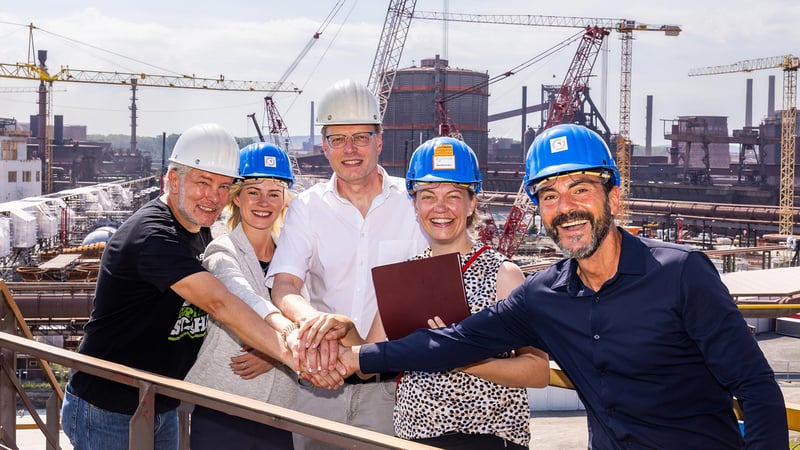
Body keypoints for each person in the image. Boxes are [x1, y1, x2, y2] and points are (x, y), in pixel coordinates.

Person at [341, 124, 789, 449]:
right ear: (538, 209)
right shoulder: (543, 296)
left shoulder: (681, 273)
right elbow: (453, 342)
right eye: (550, 195)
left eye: (580, 189)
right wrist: (353, 357)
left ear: (612, 197)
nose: (566, 207)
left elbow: (755, 388)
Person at [61, 124, 300, 450]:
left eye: (223, 186)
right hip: (108, 404)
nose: (213, 197)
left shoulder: (198, 227)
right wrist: (295, 355)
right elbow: (221, 303)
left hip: (159, 399)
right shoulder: (153, 236)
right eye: (203, 182)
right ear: (173, 180)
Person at [267, 79, 427, 449]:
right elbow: (285, 285)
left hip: (391, 386)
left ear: (379, 140)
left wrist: (367, 354)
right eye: (338, 139)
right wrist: (316, 326)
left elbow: (420, 285)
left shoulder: (413, 202)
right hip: (321, 380)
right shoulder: (307, 208)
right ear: (325, 146)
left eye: (360, 137)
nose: (350, 149)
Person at [390, 136, 549, 449]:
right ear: (415, 203)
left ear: (471, 202)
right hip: (412, 438)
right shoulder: (407, 275)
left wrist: (457, 358)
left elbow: (537, 370)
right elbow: (375, 348)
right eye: (427, 196)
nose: (440, 208)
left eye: (453, 195)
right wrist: (339, 328)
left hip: (484, 439)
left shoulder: (503, 275)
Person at [184, 142, 302, 449]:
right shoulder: (222, 251)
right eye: (254, 192)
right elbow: (242, 296)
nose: (264, 202)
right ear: (237, 198)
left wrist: (275, 358)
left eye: (274, 193)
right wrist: (282, 343)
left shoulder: (291, 256)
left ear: (283, 200)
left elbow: (311, 309)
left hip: (277, 411)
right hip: (224, 408)